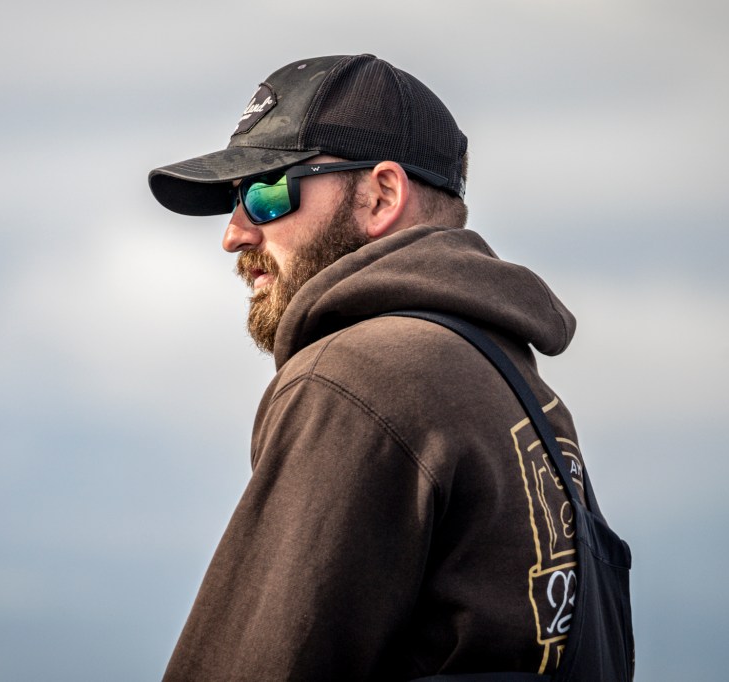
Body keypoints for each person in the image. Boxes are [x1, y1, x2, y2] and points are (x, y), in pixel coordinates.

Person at [148, 54, 633, 681]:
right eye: (234, 201)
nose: (235, 234)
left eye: (265, 192)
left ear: (381, 196)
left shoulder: (353, 377)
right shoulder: (521, 394)